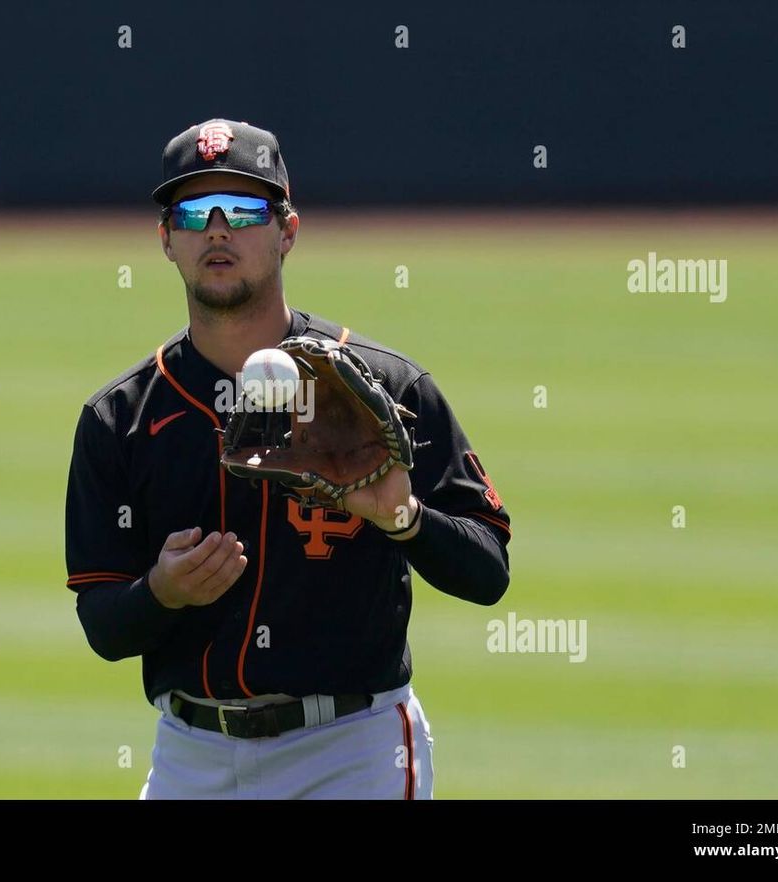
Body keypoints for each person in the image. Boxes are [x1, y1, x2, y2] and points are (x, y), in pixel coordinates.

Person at [65, 118, 512, 799]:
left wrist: (404, 517)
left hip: (351, 753)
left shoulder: (385, 389)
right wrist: (162, 592)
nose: (218, 229)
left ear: (288, 231)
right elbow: (103, 624)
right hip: (190, 758)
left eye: (244, 210)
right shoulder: (120, 418)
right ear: (166, 240)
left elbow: (488, 571)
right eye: (193, 212)